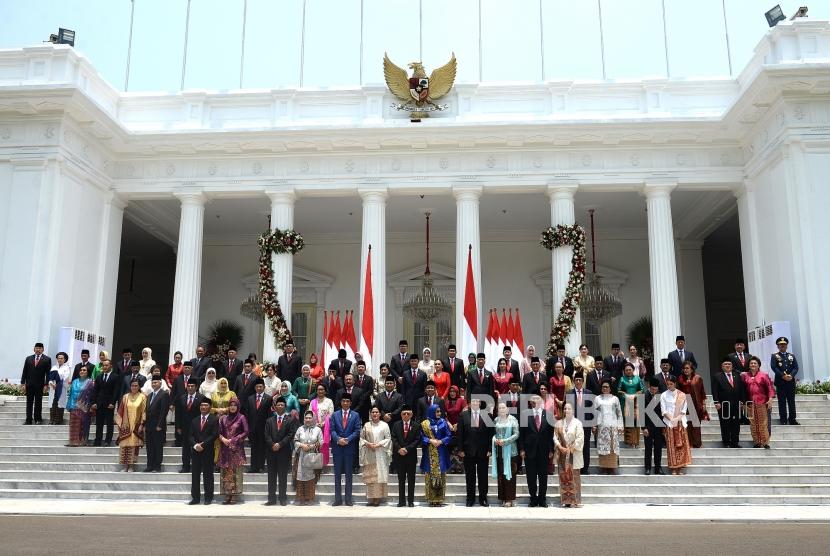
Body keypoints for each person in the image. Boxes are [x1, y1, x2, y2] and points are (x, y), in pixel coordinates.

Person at [457, 397, 493, 506]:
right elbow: (460, 434)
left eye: (478, 401)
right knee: (470, 477)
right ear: (469, 403)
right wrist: (460, 449)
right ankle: (470, 499)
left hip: (483, 451)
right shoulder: (463, 415)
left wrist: (490, 449)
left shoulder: (487, 415)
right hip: (468, 451)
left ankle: (483, 498)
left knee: (483, 476)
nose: (475, 403)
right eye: (473, 401)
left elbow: (491, 433)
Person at [520, 394, 554, 507]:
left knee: (543, 477)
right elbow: (522, 434)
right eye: (533, 401)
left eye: (537, 400)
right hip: (529, 451)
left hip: (544, 451)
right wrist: (522, 449)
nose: (535, 402)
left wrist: (551, 449)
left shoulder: (548, 415)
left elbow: (551, 434)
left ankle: (542, 499)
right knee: (531, 477)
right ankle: (533, 499)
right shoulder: (525, 414)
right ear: (530, 403)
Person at [264, 396, 298, 506]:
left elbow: (291, 434)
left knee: (283, 476)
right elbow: (266, 435)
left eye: (282, 405)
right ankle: (271, 498)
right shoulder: (269, 420)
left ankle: (283, 498)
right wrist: (272, 444)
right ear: (275, 407)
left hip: (284, 452)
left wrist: (280, 444)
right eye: (278, 404)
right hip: (271, 451)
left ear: (285, 406)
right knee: (271, 476)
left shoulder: (290, 420)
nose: (280, 406)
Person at [330, 393, 361, 506]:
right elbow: (332, 430)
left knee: (349, 474)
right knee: (337, 474)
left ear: (350, 403)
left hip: (349, 448)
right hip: (337, 448)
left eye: (348, 401)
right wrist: (338, 439)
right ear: (341, 402)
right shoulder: (334, 415)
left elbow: (357, 431)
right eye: (343, 401)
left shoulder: (356, 415)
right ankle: (337, 499)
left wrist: (347, 439)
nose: (345, 403)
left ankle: (348, 499)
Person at [420, 404, 452, 506]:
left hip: (441, 452)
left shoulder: (444, 422)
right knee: (429, 475)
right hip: (429, 452)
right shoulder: (425, 424)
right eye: (437, 411)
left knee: (441, 475)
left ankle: (439, 499)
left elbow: (449, 436)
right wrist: (430, 440)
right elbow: (421, 437)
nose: (439, 413)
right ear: (431, 411)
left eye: (439, 411)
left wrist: (441, 441)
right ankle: (431, 499)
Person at [218, 397, 249, 504]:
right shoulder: (223, 418)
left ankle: (234, 495)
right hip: (225, 449)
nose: (232, 407)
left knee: (235, 472)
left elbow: (246, 431)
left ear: (238, 406)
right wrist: (223, 439)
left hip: (236, 450)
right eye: (230, 405)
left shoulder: (241, 417)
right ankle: (227, 495)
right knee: (226, 472)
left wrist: (234, 440)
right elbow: (219, 432)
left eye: (234, 405)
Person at [360, 406, 392, 506]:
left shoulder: (384, 425)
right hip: (369, 453)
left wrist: (378, 444)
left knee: (379, 476)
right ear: (370, 414)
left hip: (380, 452)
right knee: (371, 476)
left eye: (376, 412)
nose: (374, 414)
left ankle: (377, 498)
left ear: (379, 414)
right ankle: (371, 498)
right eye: (373, 412)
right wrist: (368, 444)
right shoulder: (366, 425)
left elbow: (388, 438)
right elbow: (361, 438)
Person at [554, 402, 585, 508]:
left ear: (573, 411)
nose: (567, 410)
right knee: (564, 477)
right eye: (565, 409)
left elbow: (580, 437)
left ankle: (576, 500)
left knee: (575, 476)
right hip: (562, 453)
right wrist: (560, 446)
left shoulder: (577, 423)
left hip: (574, 453)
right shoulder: (559, 423)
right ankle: (567, 500)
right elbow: (555, 437)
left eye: (569, 409)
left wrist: (572, 448)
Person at [189, 400, 219, 505]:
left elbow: (214, 435)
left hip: (208, 450)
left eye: (205, 405)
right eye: (201, 405)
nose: (203, 407)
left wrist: (203, 444)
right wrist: (195, 445)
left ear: (210, 407)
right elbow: (190, 435)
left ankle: (208, 497)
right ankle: (195, 498)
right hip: (196, 450)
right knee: (195, 475)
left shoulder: (214, 420)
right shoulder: (194, 420)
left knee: (208, 475)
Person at [661, 375, 692, 474]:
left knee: (681, 446)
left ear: (675, 384)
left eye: (671, 384)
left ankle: (680, 467)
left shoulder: (682, 394)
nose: (669, 386)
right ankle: (673, 468)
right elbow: (664, 410)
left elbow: (683, 410)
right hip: (669, 423)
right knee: (671, 446)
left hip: (680, 423)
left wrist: (677, 419)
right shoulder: (663, 395)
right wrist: (672, 419)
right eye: (667, 384)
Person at [712, 357, 745, 448]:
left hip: (736, 404)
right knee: (725, 423)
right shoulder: (717, 376)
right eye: (725, 364)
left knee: (736, 424)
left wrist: (742, 401)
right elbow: (714, 390)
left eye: (729, 364)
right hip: (723, 404)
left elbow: (742, 389)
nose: (727, 366)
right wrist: (716, 402)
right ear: (722, 366)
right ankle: (726, 442)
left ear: (732, 366)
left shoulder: (737, 376)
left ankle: (735, 442)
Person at [491, 402, 519, 507]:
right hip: (499, 452)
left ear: (507, 410)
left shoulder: (513, 420)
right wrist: (495, 439)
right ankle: (503, 497)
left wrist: (505, 441)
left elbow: (516, 434)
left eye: (504, 408)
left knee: (510, 476)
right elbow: (493, 433)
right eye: (500, 408)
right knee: (501, 476)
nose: (502, 409)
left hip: (511, 452)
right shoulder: (496, 420)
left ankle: (509, 499)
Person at [742, 356, 775, 449]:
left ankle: (765, 442)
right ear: (749, 365)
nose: (753, 365)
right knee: (753, 423)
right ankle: (757, 442)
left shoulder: (763, 375)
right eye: (751, 363)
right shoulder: (745, 376)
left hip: (762, 402)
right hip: (750, 403)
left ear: (758, 365)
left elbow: (770, 388)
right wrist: (743, 402)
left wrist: (770, 398)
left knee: (763, 422)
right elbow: (742, 390)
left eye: (755, 363)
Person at [114, 379, 147, 472]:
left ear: (139, 387)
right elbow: (120, 410)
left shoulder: (142, 397)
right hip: (126, 425)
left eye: (136, 386)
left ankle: (132, 466)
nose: (134, 387)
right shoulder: (125, 397)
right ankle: (126, 466)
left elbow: (144, 411)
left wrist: (142, 424)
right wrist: (120, 423)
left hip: (136, 425)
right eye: (132, 385)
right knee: (125, 445)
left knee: (134, 446)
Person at [391, 404, 420, 507]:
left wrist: (407, 449)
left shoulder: (416, 425)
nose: (406, 415)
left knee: (411, 480)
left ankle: (410, 501)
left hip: (411, 456)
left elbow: (417, 440)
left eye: (408, 413)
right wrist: (399, 449)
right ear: (401, 415)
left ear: (411, 414)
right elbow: (393, 438)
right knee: (401, 480)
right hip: (399, 457)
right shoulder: (396, 425)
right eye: (404, 413)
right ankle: (401, 501)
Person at [293, 410, 323, 505]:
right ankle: (301, 498)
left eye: (310, 418)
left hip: (312, 456)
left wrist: (311, 447)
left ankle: (310, 498)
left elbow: (321, 442)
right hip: (301, 456)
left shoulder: (318, 429)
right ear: (304, 419)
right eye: (306, 418)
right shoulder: (300, 429)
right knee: (300, 476)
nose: (308, 419)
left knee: (311, 477)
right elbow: (295, 440)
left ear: (313, 418)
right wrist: (302, 445)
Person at [175, 378, 205, 473]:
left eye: (192, 386)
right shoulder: (182, 397)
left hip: (197, 428)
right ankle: (185, 467)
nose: (190, 388)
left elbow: (203, 413)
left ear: (196, 387)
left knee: (197, 447)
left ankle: (198, 467)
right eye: (188, 386)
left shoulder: (201, 398)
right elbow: (178, 413)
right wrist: (178, 427)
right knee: (186, 448)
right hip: (185, 427)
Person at [677, 361, 710, 448]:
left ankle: (697, 443)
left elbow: (702, 391)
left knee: (696, 424)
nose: (685, 370)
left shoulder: (698, 378)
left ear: (692, 369)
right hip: (685, 404)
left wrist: (704, 404)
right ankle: (689, 443)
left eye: (687, 368)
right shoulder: (680, 378)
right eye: (684, 368)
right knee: (687, 424)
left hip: (696, 403)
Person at [594, 381, 622, 475]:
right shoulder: (597, 398)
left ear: (610, 388)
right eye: (603, 387)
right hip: (602, 427)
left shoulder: (615, 399)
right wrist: (594, 425)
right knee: (603, 447)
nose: (605, 388)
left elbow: (619, 412)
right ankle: (604, 467)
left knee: (612, 448)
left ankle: (612, 467)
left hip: (613, 426)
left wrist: (620, 425)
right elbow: (594, 413)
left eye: (607, 387)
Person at [567, 373, 593, 474]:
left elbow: (592, 410)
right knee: (574, 446)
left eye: (580, 380)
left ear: (583, 381)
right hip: (573, 424)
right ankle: (575, 467)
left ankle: (585, 468)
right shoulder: (569, 393)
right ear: (574, 381)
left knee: (585, 446)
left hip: (586, 424)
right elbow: (568, 410)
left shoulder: (589, 393)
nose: (578, 382)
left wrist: (593, 424)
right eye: (576, 380)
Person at [144, 375, 170, 472]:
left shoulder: (164, 394)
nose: (154, 384)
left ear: (160, 383)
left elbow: (164, 411)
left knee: (158, 446)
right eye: (153, 382)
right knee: (149, 446)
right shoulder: (150, 395)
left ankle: (157, 465)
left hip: (158, 426)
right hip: (149, 425)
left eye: (156, 382)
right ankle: (149, 465)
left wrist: (160, 425)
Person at [21, 342, 51, 425]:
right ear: (34, 349)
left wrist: (46, 384)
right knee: (29, 402)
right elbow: (24, 371)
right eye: (37, 348)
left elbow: (48, 373)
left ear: (43, 349)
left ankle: (38, 419)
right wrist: (23, 383)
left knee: (38, 403)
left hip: (40, 385)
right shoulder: (28, 358)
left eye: (40, 348)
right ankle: (28, 420)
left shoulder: (47, 359)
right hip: (29, 385)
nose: (38, 349)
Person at [92, 359, 120, 446]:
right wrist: (94, 402)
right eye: (103, 365)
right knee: (99, 423)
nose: (105, 367)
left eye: (107, 365)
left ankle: (108, 440)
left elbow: (116, 391)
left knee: (109, 423)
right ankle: (98, 440)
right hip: (99, 403)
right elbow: (95, 390)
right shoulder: (99, 376)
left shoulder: (115, 376)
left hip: (109, 404)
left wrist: (113, 402)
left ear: (111, 366)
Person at [771, 336, 799, 425]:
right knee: (782, 401)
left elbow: (796, 367)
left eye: (784, 345)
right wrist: (783, 375)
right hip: (781, 382)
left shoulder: (791, 356)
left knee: (791, 401)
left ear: (787, 346)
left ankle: (792, 419)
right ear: (778, 346)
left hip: (790, 382)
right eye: (780, 345)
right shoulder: (774, 356)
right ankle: (783, 419)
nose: (782, 346)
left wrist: (791, 375)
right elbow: (774, 367)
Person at [247, 378, 272, 473]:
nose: (259, 388)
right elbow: (248, 414)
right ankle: (253, 467)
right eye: (257, 386)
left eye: (260, 386)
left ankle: (261, 466)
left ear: (264, 387)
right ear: (255, 387)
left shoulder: (268, 398)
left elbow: (269, 415)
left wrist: (268, 428)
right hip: (252, 428)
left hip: (263, 428)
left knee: (262, 447)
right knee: (254, 448)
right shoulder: (250, 398)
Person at [617, 362, 645, 448]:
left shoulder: (638, 378)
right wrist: (626, 396)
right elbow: (618, 390)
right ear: (624, 371)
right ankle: (628, 441)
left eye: (630, 369)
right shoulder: (622, 379)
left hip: (636, 402)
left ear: (633, 370)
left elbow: (642, 389)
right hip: (626, 403)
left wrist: (635, 395)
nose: (628, 371)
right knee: (628, 422)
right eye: (626, 370)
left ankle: (636, 441)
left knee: (636, 422)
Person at [65, 366, 94, 447]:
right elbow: (70, 394)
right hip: (74, 407)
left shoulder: (90, 382)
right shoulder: (74, 381)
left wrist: (90, 406)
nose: (82, 371)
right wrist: (69, 405)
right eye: (81, 370)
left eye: (84, 370)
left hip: (84, 408)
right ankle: (73, 442)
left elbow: (92, 395)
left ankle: (83, 441)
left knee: (83, 425)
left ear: (88, 372)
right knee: (74, 425)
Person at [642, 377, 665, 475]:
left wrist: (663, 426)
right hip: (648, 426)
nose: (654, 391)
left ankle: (658, 467)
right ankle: (647, 468)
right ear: (649, 387)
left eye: (656, 390)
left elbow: (662, 412)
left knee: (658, 448)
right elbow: (641, 413)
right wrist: (644, 428)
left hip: (658, 426)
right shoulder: (643, 396)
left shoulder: (660, 396)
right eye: (653, 389)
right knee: (648, 448)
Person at [310, 383, 334, 467]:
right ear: (316, 391)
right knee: (315, 445)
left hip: (325, 428)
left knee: (324, 445)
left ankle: (323, 463)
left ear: (325, 391)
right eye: (318, 389)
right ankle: (315, 464)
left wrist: (323, 423)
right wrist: (316, 424)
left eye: (322, 389)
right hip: (315, 428)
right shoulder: (313, 402)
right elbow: (310, 414)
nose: (320, 391)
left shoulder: (329, 401)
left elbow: (331, 414)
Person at [47, 351, 71, 425]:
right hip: (53, 388)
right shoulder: (54, 367)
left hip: (61, 388)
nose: (60, 359)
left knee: (60, 403)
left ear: (65, 359)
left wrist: (57, 380)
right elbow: (50, 377)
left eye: (61, 358)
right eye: (58, 358)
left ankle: (58, 420)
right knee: (53, 403)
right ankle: (52, 419)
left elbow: (65, 377)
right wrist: (52, 383)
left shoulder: (67, 368)